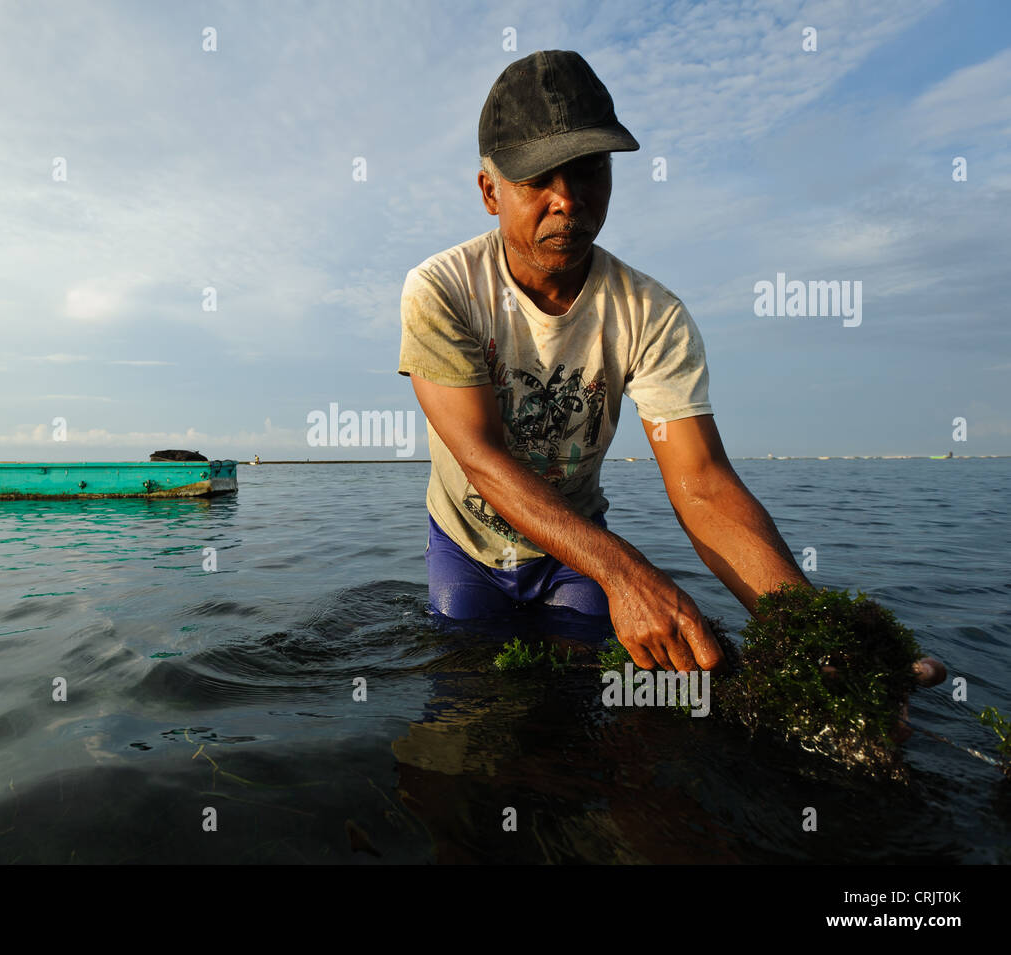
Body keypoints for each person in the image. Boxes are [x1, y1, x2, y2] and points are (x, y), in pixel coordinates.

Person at [398, 50, 944, 688]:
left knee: (594, 692)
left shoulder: (650, 314)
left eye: (589, 171)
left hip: (574, 550)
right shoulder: (442, 291)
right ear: (490, 190)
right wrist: (629, 575)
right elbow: (482, 458)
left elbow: (703, 485)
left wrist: (812, 636)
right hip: (468, 544)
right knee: (471, 685)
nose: (567, 201)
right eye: (537, 179)